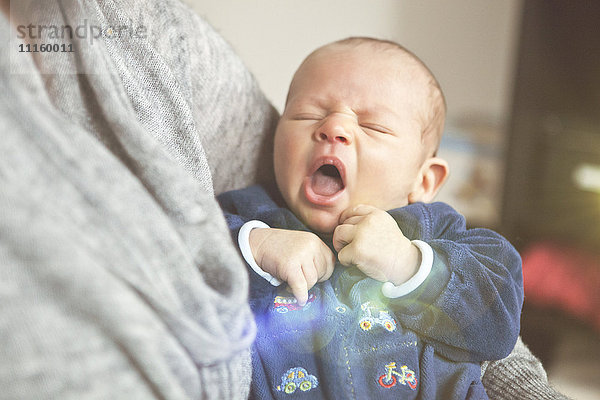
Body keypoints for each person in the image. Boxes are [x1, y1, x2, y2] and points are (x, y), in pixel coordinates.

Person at [218, 37, 523, 399]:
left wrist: (407, 264)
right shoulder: (248, 215)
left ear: (423, 181)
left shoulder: (440, 232)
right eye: (308, 115)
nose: (334, 129)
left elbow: (497, 326)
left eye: (374, 126)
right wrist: (257, 245)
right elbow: (179, 253)